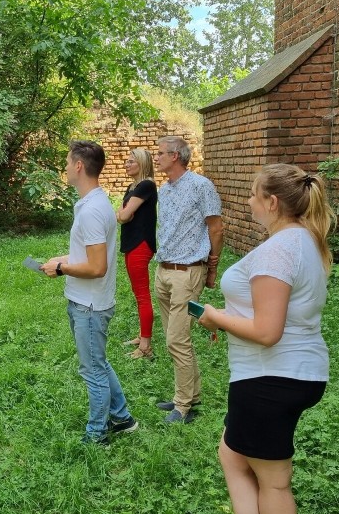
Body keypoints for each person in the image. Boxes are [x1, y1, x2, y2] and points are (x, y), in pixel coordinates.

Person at [197, 164, 333, 514]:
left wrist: (215, 317)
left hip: (270, 377)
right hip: (292, 372)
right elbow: (275, 313)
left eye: (255, 195)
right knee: (232, 454)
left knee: (274, 483)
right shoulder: (305, 240)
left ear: (272, 203)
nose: (249, 201)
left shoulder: (279, 249)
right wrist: (230, 316)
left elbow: (268, 330)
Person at [43, 141, 138, 445]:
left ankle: (97, 434)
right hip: (85, 300)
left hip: (90, 305)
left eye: (68, 162)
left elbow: (97, 266)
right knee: (97, 362)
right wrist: (63, 260)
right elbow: (87, 255)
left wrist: (61, 269)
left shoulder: (94, 210)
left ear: (80, 166)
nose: (66, 167)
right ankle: (122, 418)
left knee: (93, 370)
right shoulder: (91, 204)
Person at [153, 135, 224, 424]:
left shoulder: (201, 186)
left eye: (160, 153)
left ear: (176, 156)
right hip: (163, 270)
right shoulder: (164, 190)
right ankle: (189, 395)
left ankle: (183, 407)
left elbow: (216, 228)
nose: (155, 158)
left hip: (187, 272)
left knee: (176, 340)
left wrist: (212, 268)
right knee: (176, 339)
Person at [116, 148, 157, 360]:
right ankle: (142, 336)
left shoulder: (146, 185)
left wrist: (123, 215)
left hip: (141, 244)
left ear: (141, 163)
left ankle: (146, 347)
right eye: (126, 160)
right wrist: (123, 215)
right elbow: (124, 215)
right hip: (132, 243)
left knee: (142, 294)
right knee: (137, 292)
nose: (126, 164)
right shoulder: (134, 187)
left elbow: (123, 215)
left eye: (131, 161)